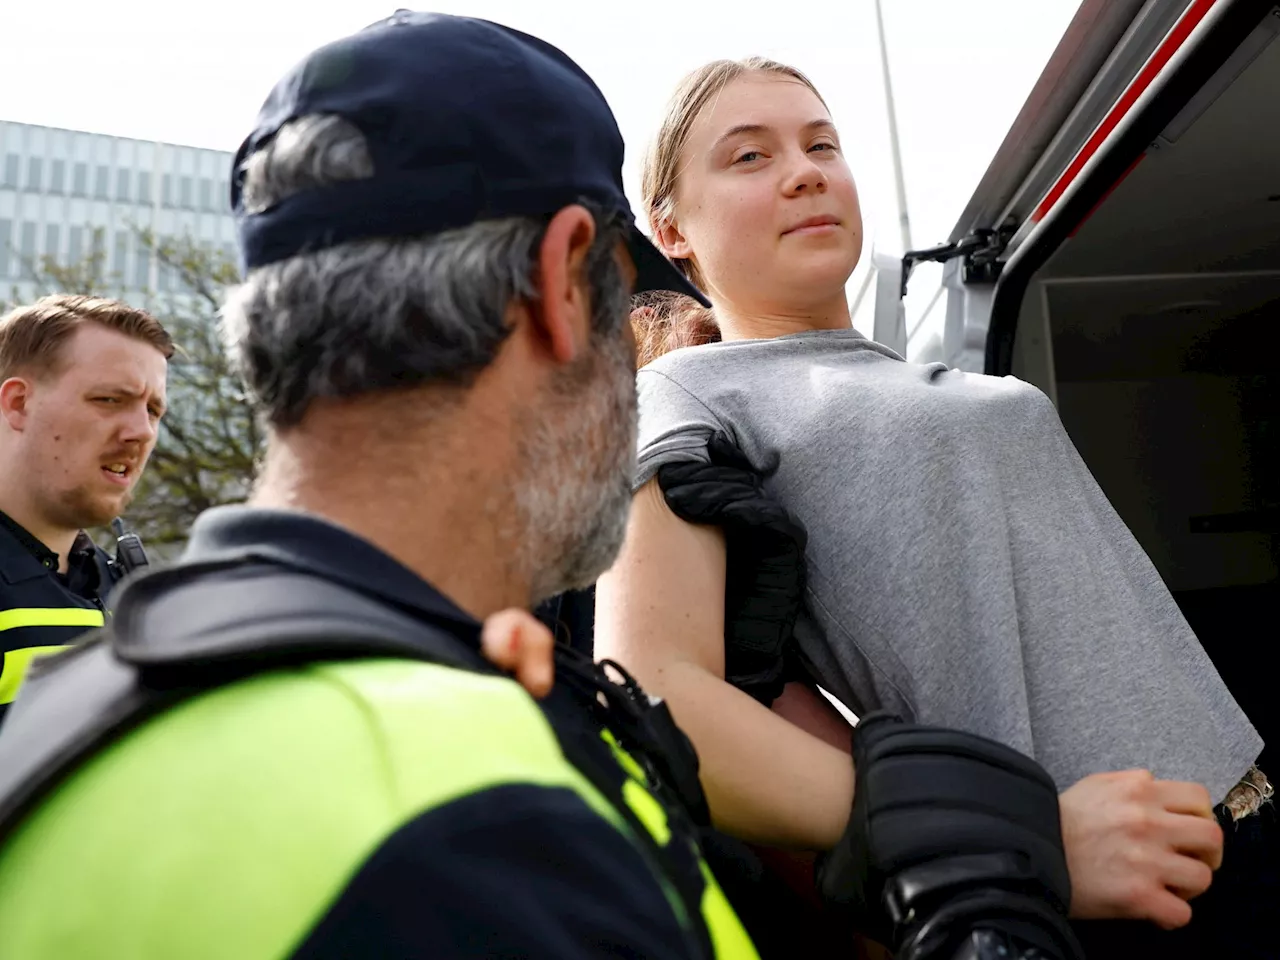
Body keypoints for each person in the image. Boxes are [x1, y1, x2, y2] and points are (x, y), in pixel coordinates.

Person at [593, 56, 1270, 959]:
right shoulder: (688, 393)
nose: (806, 171)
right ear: (672, 230)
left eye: (821, 143)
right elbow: (655, 694)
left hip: (1237, 802)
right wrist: (1016, 835)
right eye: (750, 157)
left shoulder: (904, 378)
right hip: (1100, 885)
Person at [0, 294, 170, 722]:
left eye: (153, 410)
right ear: (18, 403)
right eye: (109, 400)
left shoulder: (126, 590)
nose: (142, 432)